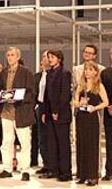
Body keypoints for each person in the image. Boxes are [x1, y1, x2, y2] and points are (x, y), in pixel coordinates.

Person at [0, 47, 35, 181]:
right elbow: (0, 90)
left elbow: (31, 93)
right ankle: (7, 168)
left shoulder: (26, 72)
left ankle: (25, 170)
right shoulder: (4, 72)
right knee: (6, 142)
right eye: (8, 55)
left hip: (21, 112)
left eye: (12, 55)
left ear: (18, 57)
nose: (9, 57)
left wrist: (18, 98)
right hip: (6, 112)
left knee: (25, 143)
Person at [38, 49, 72, 182]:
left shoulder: (64, 73)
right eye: (48, 57)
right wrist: (46, 112)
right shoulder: (50, 73)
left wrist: (57, 111)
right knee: (52, 143)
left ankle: (65, 172)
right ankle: (54, 169)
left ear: (59, 58)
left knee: (63, 143)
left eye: (52, 57)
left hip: (61, 114)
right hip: (50, 113)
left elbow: (65, 95)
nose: (49, 59)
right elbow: (47, 95)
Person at [74, 61, 108, 186]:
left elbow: (105, 102)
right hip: (81, 117)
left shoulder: (98, 86)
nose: (87, 71)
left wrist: (95, 108)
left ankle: (92, 176)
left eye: (90, 69)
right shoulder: (80, 86)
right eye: (86, 69)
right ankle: (82, 175)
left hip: (92, 117)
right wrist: (79, 103)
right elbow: (75, 102)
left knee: (91, 146)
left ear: (95, 72)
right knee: (81, 145)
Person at [34, 51, 50, 174]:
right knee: (41, 138)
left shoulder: (54, 75)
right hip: (39, 108)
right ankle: (45, 163)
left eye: (47, 57)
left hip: (49, 109)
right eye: (44, 56)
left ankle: (52, 165)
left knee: (50, 138)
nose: (45, 59)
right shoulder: (37, 76)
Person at [101, 47, 112, 181]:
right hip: (109, 111)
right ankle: (109, 171)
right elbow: (102, 91)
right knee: (110, 143)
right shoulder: (105, 73)